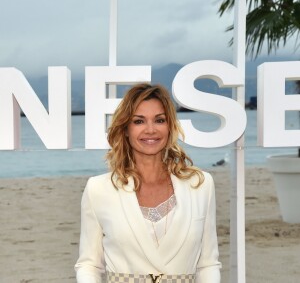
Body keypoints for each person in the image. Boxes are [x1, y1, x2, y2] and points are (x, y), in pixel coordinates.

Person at [74, 83, 221, 283]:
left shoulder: (201, 185)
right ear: (125, 129)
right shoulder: (98, 189)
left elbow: (208, 264)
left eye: (159, 120)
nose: (150, 130)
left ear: (170, 126)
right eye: (139, 121)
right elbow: (89, 264)